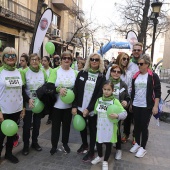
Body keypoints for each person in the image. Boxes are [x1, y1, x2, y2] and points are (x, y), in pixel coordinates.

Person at [72, 53, 106, 162]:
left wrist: (89, 109)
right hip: (80, 106)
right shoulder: (82, 73)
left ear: (99, 62)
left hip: (92, 109)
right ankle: (84, 145)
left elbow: (99, 95)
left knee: (92, 130)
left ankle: (91, 151)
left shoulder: (101, 77)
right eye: (92, 59)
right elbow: (75, 90)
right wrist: (74, 106)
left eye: (96, 60)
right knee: (81, 128)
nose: (94, 61)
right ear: (89, 61)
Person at [129, 54, 161, 158]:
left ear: (147, 64)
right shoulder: (136, 76)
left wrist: (155, 106)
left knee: (144, 126)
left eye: (141, 64)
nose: (139, 65)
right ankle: (137, 143)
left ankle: (143, 147)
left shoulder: (153, 76)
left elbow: (157, 92)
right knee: (137, 126)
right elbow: (133, 91)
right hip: (136, 104)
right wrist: (131, 103)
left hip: (147, 106)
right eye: (138, 63)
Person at [91, 80, 127, 170]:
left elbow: (124, 113)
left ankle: (105, 161)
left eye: (109, 90)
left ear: (112, 90)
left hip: (110, 129)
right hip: (100, 128)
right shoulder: (99, 100)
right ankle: (100, 156)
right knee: (98, 143)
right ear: (102, 89)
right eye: (105, 89)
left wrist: (117, 116)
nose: (106, 91)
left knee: (108, 144)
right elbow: (95, 112)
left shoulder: (115, 101)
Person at [48, 51, 77, 155]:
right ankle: (54, 146)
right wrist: (58, 89)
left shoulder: (75, 72)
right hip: (56, 105)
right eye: (64, 58)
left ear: (71, 60)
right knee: (55, 127)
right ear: (61, 59)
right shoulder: (55, 71)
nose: (66, 60)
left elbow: (77, 90)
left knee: (66, 127)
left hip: (69, 106)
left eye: (69, 58)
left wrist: (74, 106)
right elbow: (49, 85)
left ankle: (65, 143)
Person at [0, 47, 25, 163]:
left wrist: (23, 107)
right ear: (3, 58)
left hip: (16, 109)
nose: (10, 58)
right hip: (3, 111)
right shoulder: (0, 71)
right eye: (7, 56)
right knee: (0, 136)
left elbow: (21, 91)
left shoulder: (20, 72)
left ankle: (8, 154)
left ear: (16, 58)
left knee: (12, 134)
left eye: (13, 56)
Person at [22, 53, 47, 156]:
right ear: (29, 61)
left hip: (39, 104)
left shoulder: (43, 73)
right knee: (27, 126)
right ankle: (25, 146)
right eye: (32, 59)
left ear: (39, 61)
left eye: (36, 59)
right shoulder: (24, 72)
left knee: (37, 125)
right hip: (29, 103)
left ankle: (35, 143)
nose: (34, 61)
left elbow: (45, 87)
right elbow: (22, 90)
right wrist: (28, 100)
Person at [109, 64, 129, 160]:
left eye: (118, 72)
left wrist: (126, 101)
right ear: (111, 72)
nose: (116, 73)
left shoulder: (123, 84)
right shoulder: (106, 82)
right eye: (114, 71)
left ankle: (118, 149)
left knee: (117, 130)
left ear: (121, 74)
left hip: (117, 111)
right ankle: (100, 145)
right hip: (106, 111)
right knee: (104, 128)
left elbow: (127, 97)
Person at [42, 56, 53, 125]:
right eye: (42, 61)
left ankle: (50, 118)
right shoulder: (40, 69)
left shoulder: (52, 70)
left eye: (45, 61)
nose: (43, 62)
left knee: (50, 104)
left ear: (48, 62)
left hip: (49, 90)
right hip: (42, 90)